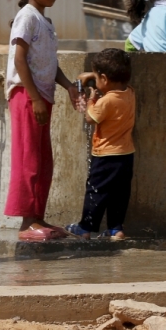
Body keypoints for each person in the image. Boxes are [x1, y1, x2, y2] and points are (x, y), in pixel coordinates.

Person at [4, 0, 80, 242]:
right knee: (29, 160)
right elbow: (20, 59)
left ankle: (37, 216)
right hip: (27, 95)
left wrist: (67, 85)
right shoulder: (26, 17)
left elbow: (48, 61)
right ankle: (26, 223)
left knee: (43, 161)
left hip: (41, 95)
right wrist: (34, 98)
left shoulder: (44, 21)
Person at [65, 49, 135, 240]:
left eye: (96, 77)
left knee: (96, 191)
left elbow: (90, 118)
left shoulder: (107, 101)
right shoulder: (129, 93)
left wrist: (91, 97)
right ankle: (116, 229)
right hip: (126, 154)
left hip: (105, 156)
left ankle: (85, 228)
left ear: (103, 79)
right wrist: (93, 76)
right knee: (119, 195)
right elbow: (109, 82)